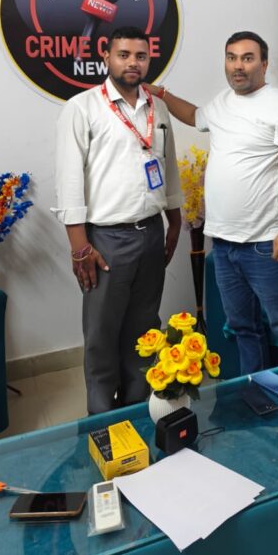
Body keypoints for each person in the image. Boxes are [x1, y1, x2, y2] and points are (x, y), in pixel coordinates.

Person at [147, 31, 278, 374]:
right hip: (223, 245)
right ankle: (259, 392)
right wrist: (162, 94)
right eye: (232, 57)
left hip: (265, 244)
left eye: (248, 58)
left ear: (264, 64)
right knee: (243, 328)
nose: (238, 66)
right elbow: (195, 116)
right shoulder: (222, 103)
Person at [52, 26, 182, 414]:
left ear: (149, 59)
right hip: (106, 240)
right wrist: (80, 247)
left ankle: (136, 409)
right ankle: (102, 421)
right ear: (106, 57)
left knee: (144, 330)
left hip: (151, 232)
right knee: (102, 336)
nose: (132, 63)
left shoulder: (158, 108)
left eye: (140, 56)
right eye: (123, 55)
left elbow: (168, 167)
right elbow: (69, 180)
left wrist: (175, 221)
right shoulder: (82, 108)